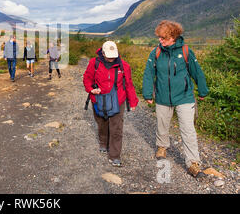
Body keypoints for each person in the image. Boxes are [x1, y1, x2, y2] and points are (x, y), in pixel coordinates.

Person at [142, 20, 209, 178]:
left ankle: (193, 163)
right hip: (162, 97)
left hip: (185, 97)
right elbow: (148, 73)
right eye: (159, 37)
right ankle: (162, 147)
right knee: (162, 125)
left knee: (188, 130)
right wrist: (147, 93)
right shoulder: (156, 52)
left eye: (163, 38)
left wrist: (203, 90)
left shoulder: (186, 51)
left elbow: (196, 71)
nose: (160, 40)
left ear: (173, 36)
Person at [83, 41, 138, 167]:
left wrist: (133, 101)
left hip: (117, 100)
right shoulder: (94, 63)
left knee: (116, 127)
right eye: (108, 55)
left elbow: (129, 84)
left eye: (113, 55)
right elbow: (87, 78)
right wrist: (91, 89)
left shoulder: (124, 66)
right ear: (102, 53)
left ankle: (115, 156)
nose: (111, 58)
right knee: (102, 122)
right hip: (99, 98)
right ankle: (103, 142)